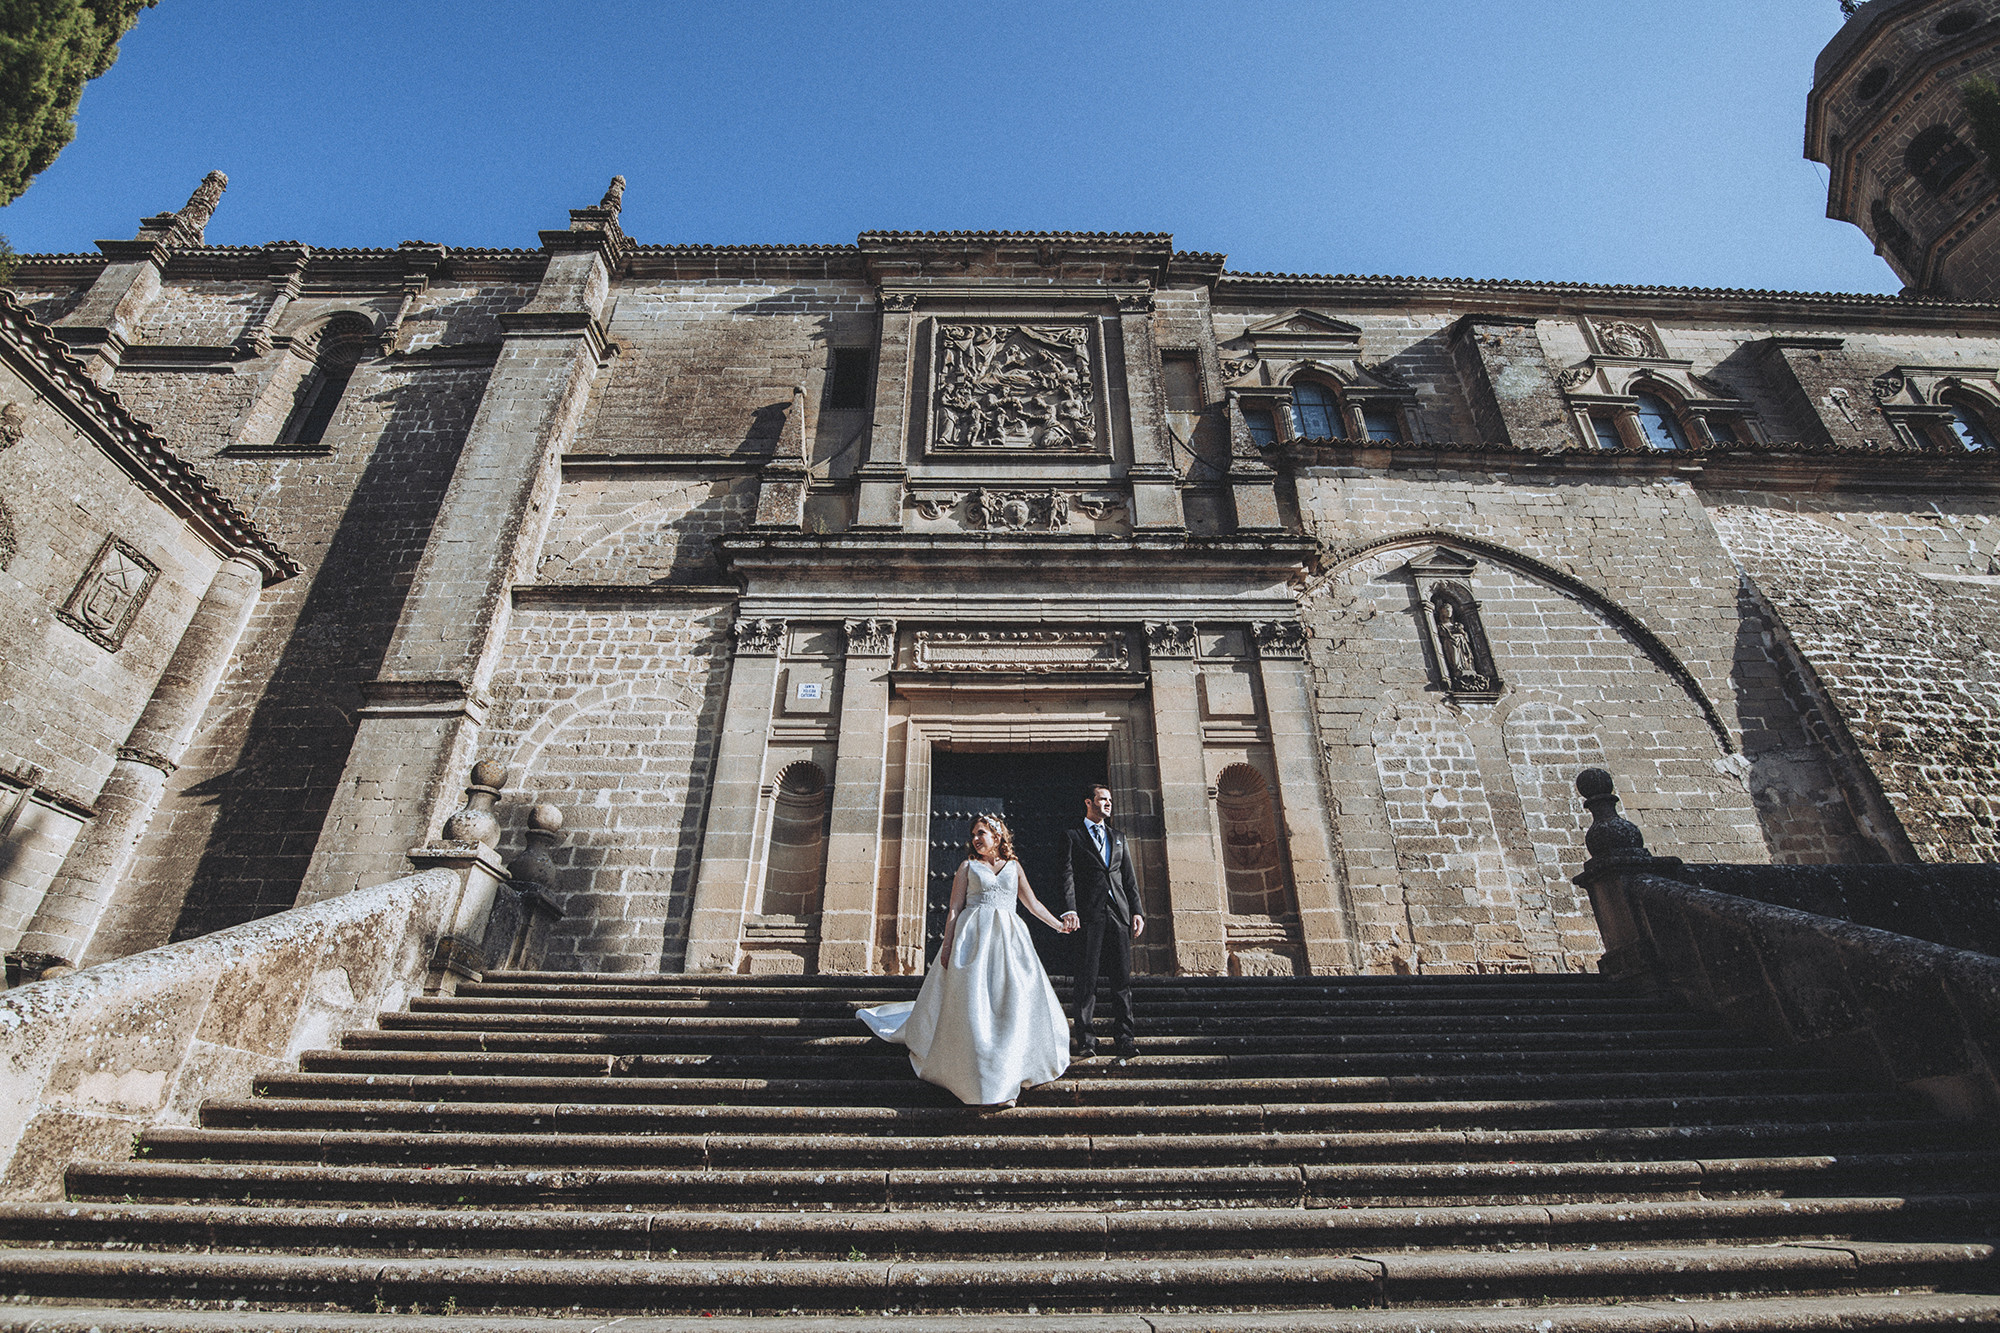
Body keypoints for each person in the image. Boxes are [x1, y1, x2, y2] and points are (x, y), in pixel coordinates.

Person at [857, 814, 1074, 1107]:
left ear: (997, 837)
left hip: (1010, 943)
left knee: (1010, 1004)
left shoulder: (1014, 867)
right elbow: (955, 910)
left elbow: (1031, 904)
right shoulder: (967, 867)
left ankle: (1008, 1072)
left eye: (981, 833)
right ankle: (982, 1078)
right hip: (973, 942)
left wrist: (1058, 925)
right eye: (973, 834)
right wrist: (946, 947)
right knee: (975, 1007)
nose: (975, 839)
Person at [1060, 783, 1144, 1061]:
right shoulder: (1073, 837)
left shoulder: (1118, 837)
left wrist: (1137, 912)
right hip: (1089, 916)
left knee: (1122, 981)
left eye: (1109, 799)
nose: (1108, 803)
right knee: (1087, 981)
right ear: (1089, 802)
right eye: (1102, 799)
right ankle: (1085, 1040)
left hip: (1118, 915)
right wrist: (1069, 909)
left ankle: (1125, 1039)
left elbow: (1128, 879)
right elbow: (1068, 876)